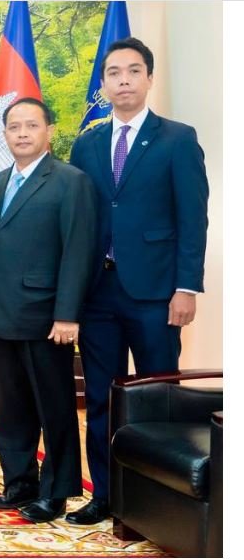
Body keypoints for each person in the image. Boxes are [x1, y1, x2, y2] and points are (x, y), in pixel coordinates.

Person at [66, 37, 209, 526]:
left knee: (157, 396)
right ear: (103, 84)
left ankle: (158, 501)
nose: (123, 80)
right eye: (113, 73)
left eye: (132, 71)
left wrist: (187, 287)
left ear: (149, 78)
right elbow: (80, 219)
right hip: (98, 293)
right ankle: (105, 496)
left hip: (156, 293)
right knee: (101, 398)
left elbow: (193, 219)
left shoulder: (177, 139)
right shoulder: (86, 144)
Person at [0, 98, 96, 524]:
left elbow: (78, 250)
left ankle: (56, 492)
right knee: (7, 407)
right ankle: (19, 484)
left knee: (54, 407)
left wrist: (67, 314)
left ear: (49, 131)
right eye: (14, 127)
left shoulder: (70, 181)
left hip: (45, 317)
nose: (22, 133)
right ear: (5, 134)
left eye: (31, 125)